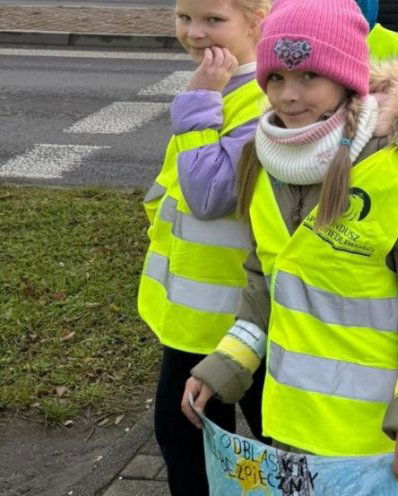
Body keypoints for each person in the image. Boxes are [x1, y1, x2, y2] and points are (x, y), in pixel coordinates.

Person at [179, 0, 398, 494]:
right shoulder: (263, 160)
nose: (289, 96)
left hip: (378, 440)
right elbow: (265, 276)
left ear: (346, 80)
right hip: (292, 425)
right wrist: (227, 364)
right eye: (275, 78)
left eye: (309, 76)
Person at [136, 0, 270, 494]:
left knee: (262, 442)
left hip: (241, 312)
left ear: (257, 19)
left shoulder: (261, 98)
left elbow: (209, 195)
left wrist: (199, 101)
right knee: (189, 437)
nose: (194, 33)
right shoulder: (220, 88)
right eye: (184, 17)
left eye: (214, 19)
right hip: (197, 312)